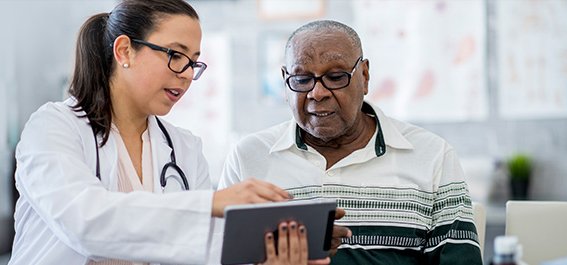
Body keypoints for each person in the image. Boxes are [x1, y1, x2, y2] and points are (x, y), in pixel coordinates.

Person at [9, 1, 315, 264]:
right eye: (175, 55)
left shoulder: (184, 147)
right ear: (125, 50)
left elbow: (199, 250)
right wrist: (209, 204)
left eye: (193, 62)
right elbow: (84, 222)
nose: (185, 75)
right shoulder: (53, 127)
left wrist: (272, 246)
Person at [219, 20, 483, 264]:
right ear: (285, 82)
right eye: (301, 79)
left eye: (335, 77)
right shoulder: (248, 158)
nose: (317, 93)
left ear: (364, 76)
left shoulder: (432, 156)